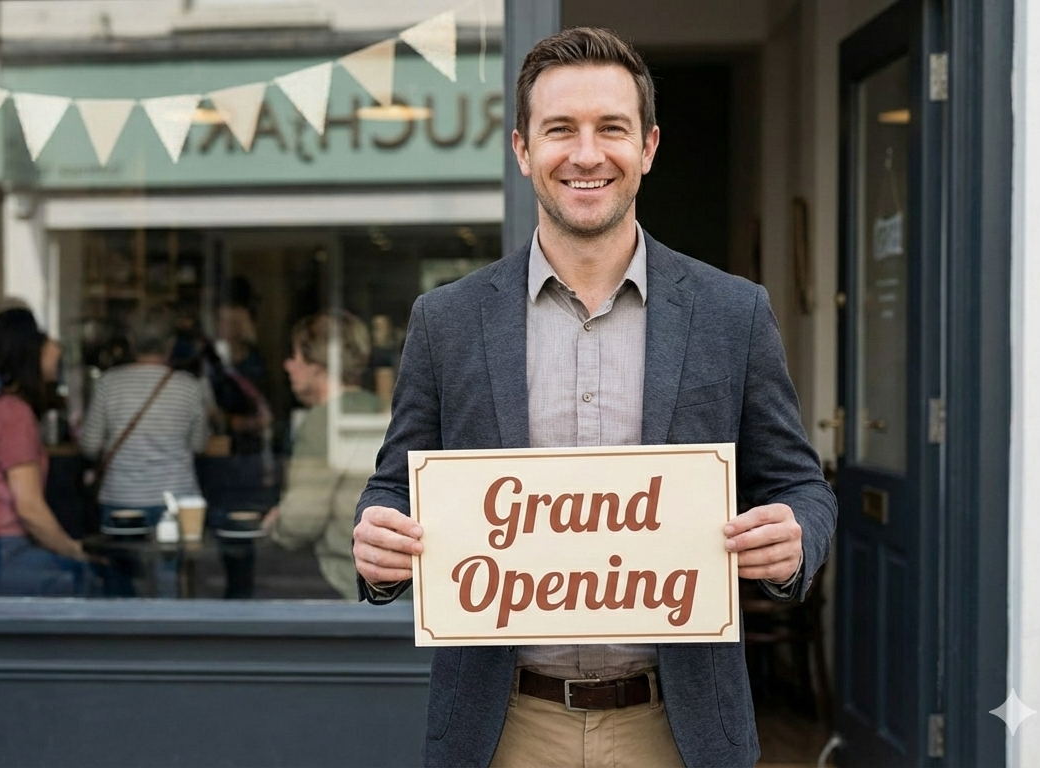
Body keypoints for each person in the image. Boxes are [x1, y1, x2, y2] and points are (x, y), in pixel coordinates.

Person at [352, 27, 837, 768]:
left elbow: (802, 484)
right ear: (522, 150)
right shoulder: (445, 321)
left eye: (611, 128)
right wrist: (377, 541)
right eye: (559, 130)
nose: (585, 154)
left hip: (677, 726)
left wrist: (795, 536)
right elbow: (395, 485)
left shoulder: (732, 312)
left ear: (646, 147)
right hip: (503, 724)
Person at [0, 308, 94, 597]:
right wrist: (73, 550)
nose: (53, 346)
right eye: (42, 339)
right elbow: (29, 509)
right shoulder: (14, 414)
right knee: (91, 582)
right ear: (30, 351)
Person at [79, 305, 208, 597]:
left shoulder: (108, 384)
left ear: (131, 343)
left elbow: (88, 445)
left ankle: (121, 640)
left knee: (118, 583)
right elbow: (199, 445)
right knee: (167, 581)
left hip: (120, 497)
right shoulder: (189, 387)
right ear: (172, 345)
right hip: (175, 500)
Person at [264, 311, 381, 599]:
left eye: (295, 356)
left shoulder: (323, 421)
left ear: (317, 365)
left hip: (342, 580)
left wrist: (275, 525)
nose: (288, 365)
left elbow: (301, 521)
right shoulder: (380, 408)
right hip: (386, 583)